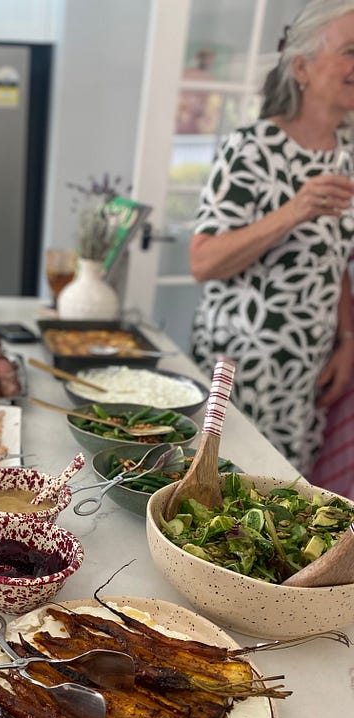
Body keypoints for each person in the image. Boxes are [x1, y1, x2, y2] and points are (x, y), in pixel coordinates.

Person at [189, 0, 354, 475]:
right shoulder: (253, 148)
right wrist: (295, 210)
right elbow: (203, 261)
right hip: (240, 372)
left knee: (281, 504)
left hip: (304, 373)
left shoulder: (347, 155)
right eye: (349, 50)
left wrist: (347, 338)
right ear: (301, 67)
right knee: (215, 498)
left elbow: (335, 259)